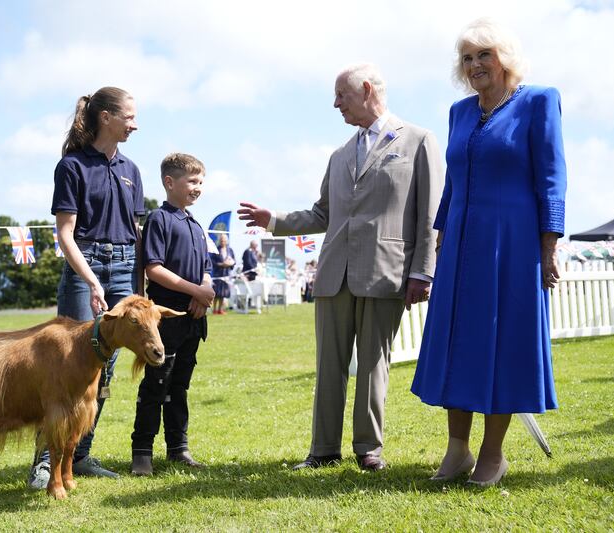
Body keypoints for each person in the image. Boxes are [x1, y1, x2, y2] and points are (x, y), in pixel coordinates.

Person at [238, 63, 442, 471]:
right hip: (334, 276)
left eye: (341, 96)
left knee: (372, 364)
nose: (335, 104)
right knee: (328, 367)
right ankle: (323, 450)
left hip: (387, 274)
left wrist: (423, 271)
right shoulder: (339, 154)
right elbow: (321, 213)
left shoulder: (420, 141)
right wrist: (273, 219)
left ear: (366, 90)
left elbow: (431, 214)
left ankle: (368, 448)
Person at [411, 18, 567, 487]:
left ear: (506, 58)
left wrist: (549, 246)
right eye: (467, 57)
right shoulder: (460, 111)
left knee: (503, 345)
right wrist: (440, 237)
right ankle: (456, 450)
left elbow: (552, 178)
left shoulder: (539, 100)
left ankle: (492, 455)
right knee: (458, 341)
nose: (475, 64)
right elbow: (452, 184)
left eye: (485, 54)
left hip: (513, 245)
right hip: (460, 244)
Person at [28, 86, 145, 489]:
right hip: (86, 266)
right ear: (106, 118)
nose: (135, 123)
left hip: (126, 267)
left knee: (105, 367)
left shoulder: (132, 170)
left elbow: (136, 233)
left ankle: (79, 455)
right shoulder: (72, 167)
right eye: (129, 116)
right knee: (66, 367)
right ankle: (44, 464)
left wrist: (139, 291)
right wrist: (92, 279)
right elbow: (65, 234)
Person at [130, 153, 214, 476]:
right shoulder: (159, 220)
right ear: (169, 182)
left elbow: (205, 270)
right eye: (192, 181)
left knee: (179, 387)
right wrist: (194, 291)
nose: (198, 188)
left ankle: (178, 448)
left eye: (201, 182)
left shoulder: (195, 224)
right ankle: (142, 453)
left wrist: (202, 295)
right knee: (156, 385)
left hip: (194, 322)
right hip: (166, 323)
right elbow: (154, 268)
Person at [210, 233, 235, 314]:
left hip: (226, 275)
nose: (222, 242)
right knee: (216, 293)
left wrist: (230, 264)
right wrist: (220, 264)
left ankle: (220, 309)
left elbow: (234, 260)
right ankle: (214, 309)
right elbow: (212, 261)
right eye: (221, 240)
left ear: (226, 241)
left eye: (224, 240)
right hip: (218, 274)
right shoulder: (216, 249)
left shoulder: (230, 250)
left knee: (223, 294)